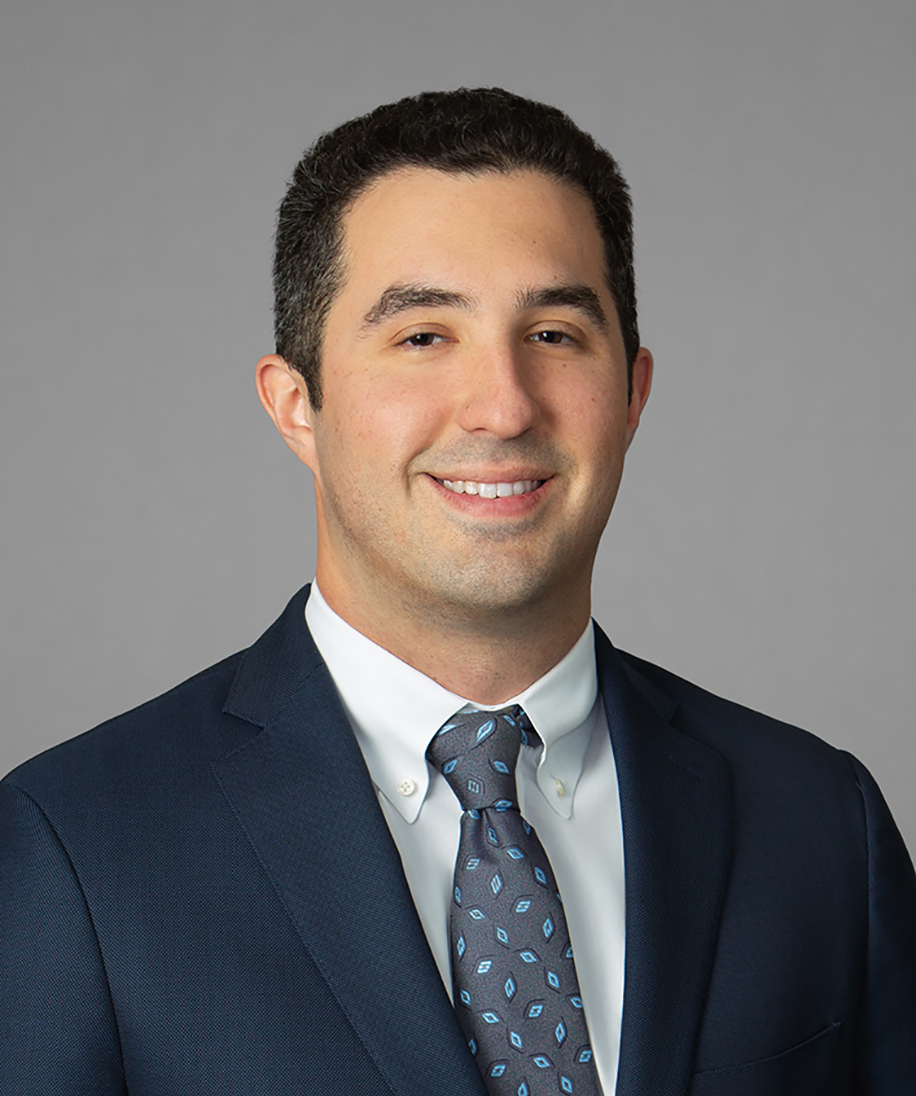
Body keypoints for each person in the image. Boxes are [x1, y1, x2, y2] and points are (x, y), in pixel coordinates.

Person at [1, 88, 914, 1096]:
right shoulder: (72, 848)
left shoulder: (820, 822)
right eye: (423, 336)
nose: (503, 406)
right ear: (296, 405)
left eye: (554, 334)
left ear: (631, 394)